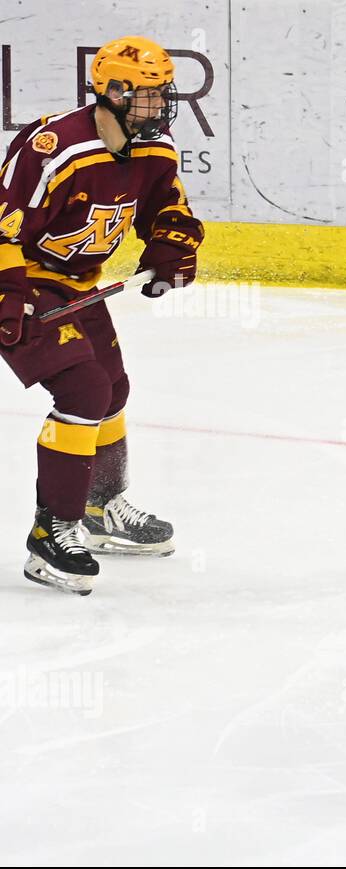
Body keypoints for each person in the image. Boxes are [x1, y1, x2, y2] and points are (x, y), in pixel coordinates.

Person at [0, 35, 202, 595]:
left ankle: (99, 505)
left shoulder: (153, 151)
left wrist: (172, 248)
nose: (160, 106)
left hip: (76, 285)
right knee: (84, 390)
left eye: (164, 94)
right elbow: (3, 226)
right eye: (148, 95)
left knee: (113, 390)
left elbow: (170, 210)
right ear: (112, 92)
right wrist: (8, 299)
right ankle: (50, 532)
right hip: (23, 281)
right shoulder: (53, 147)